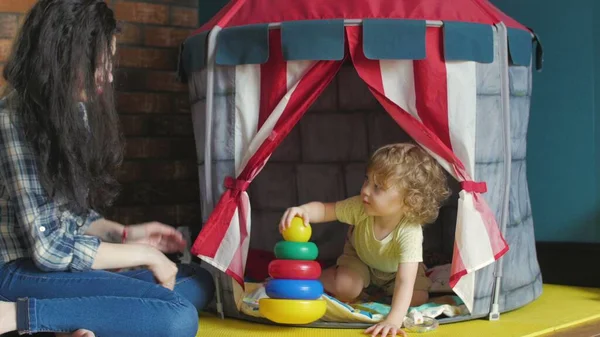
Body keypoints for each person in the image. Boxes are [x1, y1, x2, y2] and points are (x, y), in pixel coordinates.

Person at [0, 1, 214, 336]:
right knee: (177, 317)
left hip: (54, 270)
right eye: (101, 63)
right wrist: (140, 253)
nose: (109, 75)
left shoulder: (73, 112)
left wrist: (126, 234)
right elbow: (49, 249)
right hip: (14, 271)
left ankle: (67, 322)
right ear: (62, 58)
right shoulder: (13, 119)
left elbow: (73, 219)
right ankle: (17, 317)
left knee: (195, 280)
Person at [279, 143, 451, 337]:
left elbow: (404, 281)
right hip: (360, 258)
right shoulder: (360, 207)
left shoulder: (410, 231)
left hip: (396, 271)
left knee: (417, 298)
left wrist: (393, 321)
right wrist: (304, 211)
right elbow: (327, 209)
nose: (365, 191)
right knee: (346, 288)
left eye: (377, 187)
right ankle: (321, 276)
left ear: (410, 200)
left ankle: (379, 292)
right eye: (366, 180)